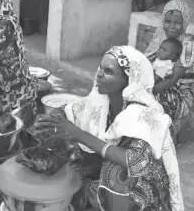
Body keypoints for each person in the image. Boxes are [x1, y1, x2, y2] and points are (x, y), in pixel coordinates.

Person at [35, 46, 183, 211]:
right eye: (100, 67)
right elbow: (71, 109)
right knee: (59, 142)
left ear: (129, 80)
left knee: (113, 172)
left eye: (108, 71)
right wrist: (54, 119)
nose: (98, 73)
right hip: (109, 179)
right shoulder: (101, 100)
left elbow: (135, 162)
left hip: (142, 188)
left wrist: (80, 135)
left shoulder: (144, 115)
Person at [145, 0, 194, 143]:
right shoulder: (160, 40)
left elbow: (172, 80)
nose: (172, 26)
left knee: (157, 99)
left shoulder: (187, 48)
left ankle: (162, 137)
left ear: (184, 22)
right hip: (158, 83)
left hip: (181, 94)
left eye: (177, 22)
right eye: (168, 21)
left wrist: (146, 91)